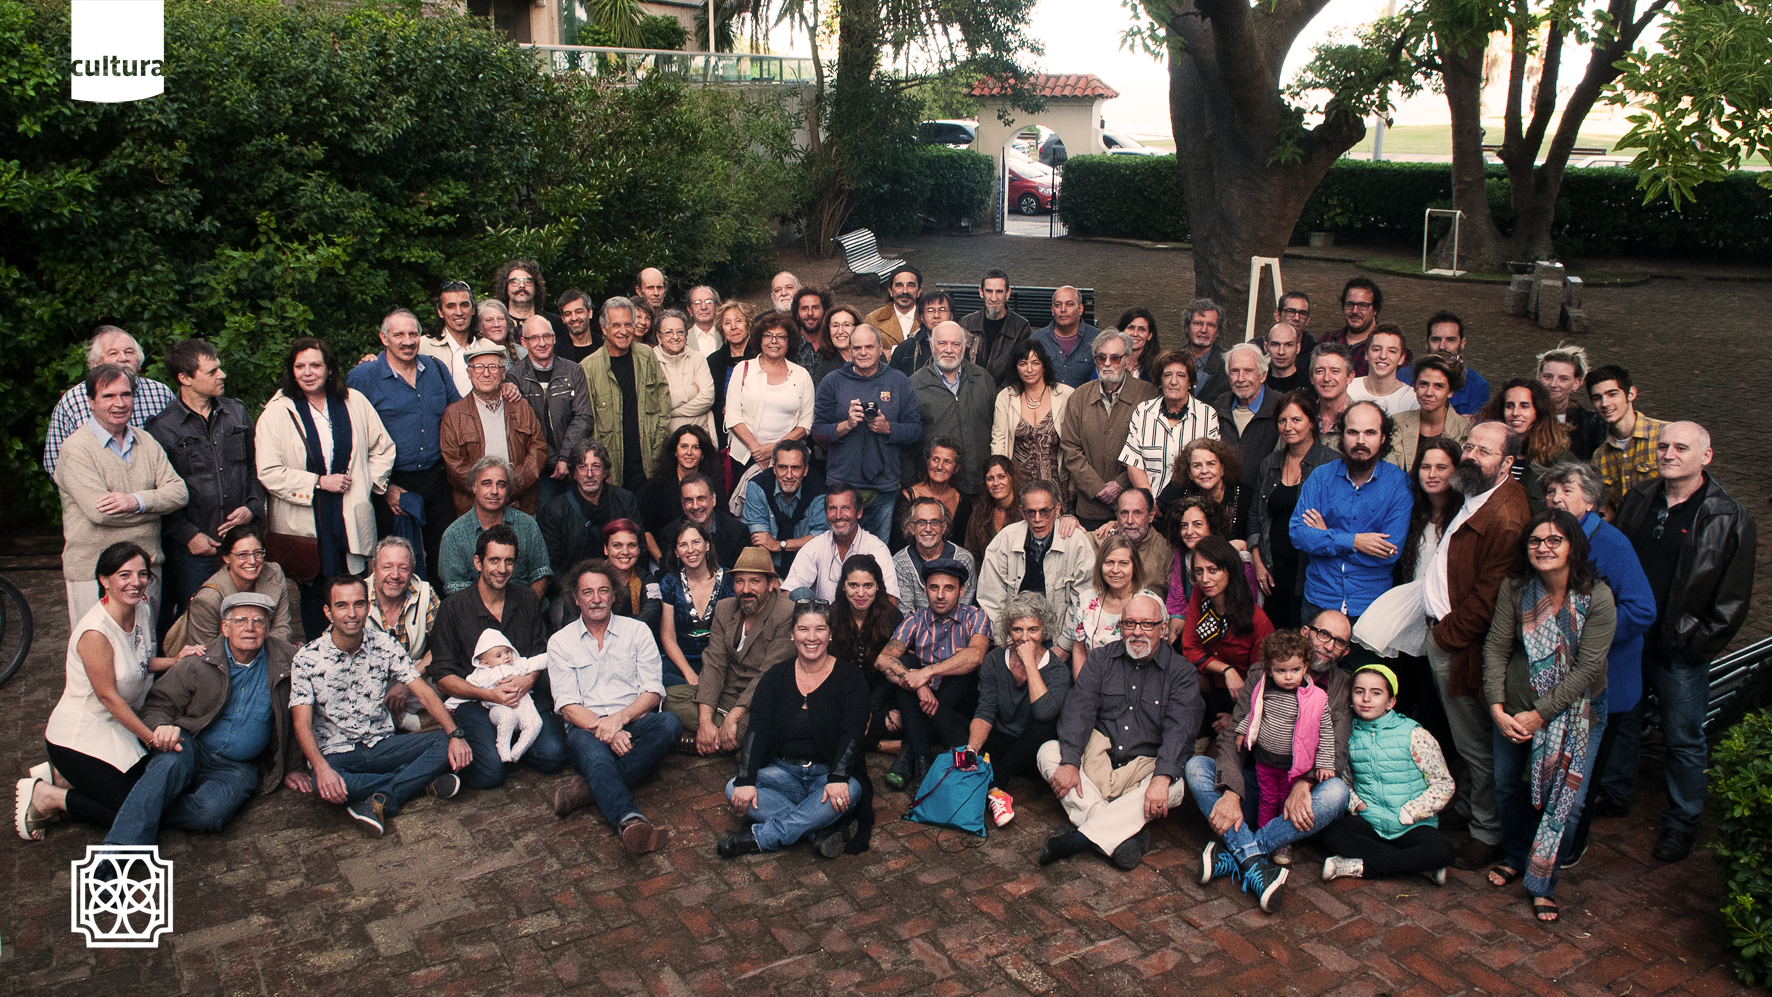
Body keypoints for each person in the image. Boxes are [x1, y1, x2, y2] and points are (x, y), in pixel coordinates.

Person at [1608, 422, 1756, 863]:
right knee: (1625, 723)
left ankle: (1682, 820)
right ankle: (1616, 795)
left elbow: (1733, 599)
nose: (1669, 453)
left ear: (1705, 457)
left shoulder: (1727, 516)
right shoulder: (1639, 500)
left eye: (1681, 447)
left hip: (1681, 650)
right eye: (1663, 446)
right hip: (1632, 640)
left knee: (1684, 737)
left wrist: (1693, 645)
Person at [1481, 510, 1617, 923]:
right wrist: (1496, 708)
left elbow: (1589, 669)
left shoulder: (1597, 598)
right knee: (1509, 787)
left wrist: (1539, 716)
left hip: (1577, 716)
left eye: (1554, 540)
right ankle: (1518, 855)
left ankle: (1544, 879)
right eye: (1536, 541)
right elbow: (1496, 648)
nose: (1543, 548)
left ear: (1573, 545)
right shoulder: (1516, 588)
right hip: (1514, 709)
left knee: (1565, 804)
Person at [16, 543, 202, 841]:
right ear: (104, 579)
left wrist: (176, 660)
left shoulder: (139, 607)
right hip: (78, 737)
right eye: (124, 574)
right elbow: (109, 697)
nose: (136, 582)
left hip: (117, 726)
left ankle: (67, 779)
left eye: (142, 574)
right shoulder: (95, 632)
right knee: (135, 812)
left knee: (155, 796)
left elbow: (138, 662)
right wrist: (150, 738)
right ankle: (48, 796)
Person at [1414, 421, 1534, 870]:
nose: (1471, 456)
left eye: (1484, 451)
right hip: (1448, 634)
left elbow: (1488, 600)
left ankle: (1487, 831)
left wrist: (1442, 636)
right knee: (1464, 737)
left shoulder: (1504, 518)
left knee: (1475, 743)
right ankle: (1467, 810)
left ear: (1507, 464)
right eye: (1469, 446)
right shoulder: (1477, 495)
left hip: (1460, 643)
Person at [96, 592, 305, 847]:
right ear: (225, 628)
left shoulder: (289, 662)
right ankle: (115, 851)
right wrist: (161, 726)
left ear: (268, 628)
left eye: (258, 621)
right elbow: (158, 704)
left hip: (238, 766)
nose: (250, 628)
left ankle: (136, 807)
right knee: (168, 766)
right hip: (192, 745)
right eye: (240, 620)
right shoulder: (200, 661)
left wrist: (293, 766)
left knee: (210, 813)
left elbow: (300, 713)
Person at [1539, 462, 1656, 867]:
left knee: (1582, 780)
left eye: (1566, 491)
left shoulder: (1613, 544)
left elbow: (1642, 610)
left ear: (1590, 500)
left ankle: (1571, 847)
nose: (1556, 498)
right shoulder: (1545, 541)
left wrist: (1589, 636)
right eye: (1551, 491)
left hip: (1607, 680)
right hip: (1557, 681)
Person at [288, 576, 468, 837]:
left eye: (359, 604)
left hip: (383, 745)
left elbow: (424, 693)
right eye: (342, 605)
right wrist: (321, 766)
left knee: (446, 742)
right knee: (322, 783)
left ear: (368, 606)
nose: (352, 614)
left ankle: (382, 798)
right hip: (338, 754)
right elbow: (301, 723)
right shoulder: (307, 658)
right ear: (328, 612)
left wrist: (454, 734)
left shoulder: (384, 644)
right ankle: (419, 782)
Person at [1187, 629, 1352, 911]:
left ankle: (1238, 854)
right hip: (1261, 778)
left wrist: (1305, 782)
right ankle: (1256, 862)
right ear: (1307, 634)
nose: (1329, 645)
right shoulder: (1261, 675)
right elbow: (1237, 729)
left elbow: (1334, 744)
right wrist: (1230, 793)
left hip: (1298, 792)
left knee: (1338, 792)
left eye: (1339, 641)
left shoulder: (1338, 687)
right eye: (1324, 634)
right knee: (1196, 767)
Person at [1037, 593, 1203, 871]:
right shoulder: (1101, 659)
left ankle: (1079, 840)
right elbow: (1079, 708)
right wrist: (1070, 762)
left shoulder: (1181, 672)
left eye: (1147, 625)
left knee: (1174, 785)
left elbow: (1181, 729)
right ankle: (1122, 833)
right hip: (1098, 760)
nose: (1137, 632)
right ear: (1120, 627)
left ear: (1163, 629)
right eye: (1129, 623)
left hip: (1143, 770)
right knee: (1049, 752)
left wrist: (1161, 778)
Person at [256, 338, 395, 638]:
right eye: (300, 366)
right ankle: (320, 661)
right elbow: (268, 471)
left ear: (329, 369)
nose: (308, 372)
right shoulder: (278, 411)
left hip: (349, 518)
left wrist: (364, 483)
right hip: (307, 522)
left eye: (315, 365)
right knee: (315, 595)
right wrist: (317, 482)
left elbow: (383, 447)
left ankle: (356, 657)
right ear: (292, 372)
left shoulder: (353, 401)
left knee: (353, 590)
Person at [717, 601, 874, 859]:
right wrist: (746, 780)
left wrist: (837, 778)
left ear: (830, 634)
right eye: (803, 629)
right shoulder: (775, 677)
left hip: (828, 774)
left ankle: (759, 837)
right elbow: (757, 730)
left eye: (819, 629)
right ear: (792, 634)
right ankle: (817, 829)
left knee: (852, 789)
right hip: (783, 774)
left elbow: (853, 732)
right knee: (733, 788)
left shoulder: (850, 678)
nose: (811, 638)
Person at [545, 560, 680, 853]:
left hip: (632, 720)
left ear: (614, 595)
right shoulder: (560, 642)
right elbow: (567, 705)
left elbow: (653, 691)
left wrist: (619, 721)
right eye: (588, 592)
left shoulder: (638, 631)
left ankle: (586, 791)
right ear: (576, 598)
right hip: (586, 727)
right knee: (595, 756)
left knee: (669, 724)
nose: (596, 599)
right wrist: (604, 728)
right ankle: (629, 820)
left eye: (603, 591)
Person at [429, 524, 565, 789]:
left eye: (509, 561)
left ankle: (503, 745)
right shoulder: (453, 608)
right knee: (491, 775)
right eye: (494, 560)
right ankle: (481, 754)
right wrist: (490, 695)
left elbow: (539, 653)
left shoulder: (526, 598)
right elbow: (443, 677)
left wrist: (525, 683)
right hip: (477, 702)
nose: (502, 569)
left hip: (523, 696)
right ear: (478, 562)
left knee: (553, 756)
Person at [54, 364, 188, 630]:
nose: (120, 403)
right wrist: (154, 510)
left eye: (126, 395)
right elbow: (100, 513)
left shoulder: (147, 441)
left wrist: (134, 501)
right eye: (108, 396)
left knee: (143, 656)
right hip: (93, 574)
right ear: (91, 401)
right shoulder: (76, 449)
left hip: (145, 571)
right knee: (97, 654)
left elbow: (179, 493)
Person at [147, 338, 268, 633]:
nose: (222, 375)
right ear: (185, 378)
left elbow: (257, 467)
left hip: (243, 541)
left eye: (220, 368)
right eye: (212, 371)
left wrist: (252, 508)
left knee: (250, 616)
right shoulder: (162, 428)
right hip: (195, 551)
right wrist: (189, 536)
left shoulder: (236, 413)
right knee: (202, 621)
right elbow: (159, 492)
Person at [350, 307, 463, 587]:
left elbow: (460, 413)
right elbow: (353, 440)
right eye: (398, 334)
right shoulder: (363, 378)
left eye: (413, 333)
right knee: (394, 561)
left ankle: (440, 617)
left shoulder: (436, 368)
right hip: (392, 480)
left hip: (437, 477)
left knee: (444, 556)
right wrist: (383, 487)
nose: (407, 340)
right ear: (383, 338)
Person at [1319, 664, 1458, 884]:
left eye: (1376, 693)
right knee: (1331, 833)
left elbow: (1443, 784)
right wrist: (1357, 804)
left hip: (1411, 825)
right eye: (1359, 691)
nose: (1366, 699)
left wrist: (1412, 811)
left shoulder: (1413, 734)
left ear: (1390, 702)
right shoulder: (1347, 734)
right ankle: (1417, 866)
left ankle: (1358, 867)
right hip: (1370, 822)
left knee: (1443, 850)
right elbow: (1344, 779)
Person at [875, 559, 992, 790]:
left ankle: (910, 751)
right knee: (905, 663)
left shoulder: (975, 616)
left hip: (957, 702)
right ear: (925, 589)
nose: (940, 595)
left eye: (949, 588)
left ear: (962, 591)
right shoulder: (915, 619)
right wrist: (918, 683)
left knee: (964, 671)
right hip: (919, 699)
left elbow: (976, 655)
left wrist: (927, 673)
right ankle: (922, 759)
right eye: (934, 587)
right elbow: (883, 659)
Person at [1289, 401, 1410, 624]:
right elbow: (1298, 534)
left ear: (1383, 438)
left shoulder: (1399, 484)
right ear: (1342, 437)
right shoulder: (1320, 477)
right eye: (1353, 432)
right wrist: (1355, 541)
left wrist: (1326, 538)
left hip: (1371, 606)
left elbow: (1389, 551)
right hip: (1320, 599)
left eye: (1370, 433)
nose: (1361, 441)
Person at [666, 547, 797, 753]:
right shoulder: (725, 608)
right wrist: (705, 720)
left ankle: (704, 741)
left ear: (771, 584)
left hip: (762, 700)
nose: (746, 589)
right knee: (670, 699)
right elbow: (714, 664)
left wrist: (734, 716)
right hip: (726, 696)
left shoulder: (786, 613)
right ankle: (722, 740)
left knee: (757, 725)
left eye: (754, 581)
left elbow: (769, 675)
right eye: (739, 581)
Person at [1387, 438, 1465, 758]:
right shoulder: (1412, 513)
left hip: (1445, 623)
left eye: (1441, 467)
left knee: (1437, 703)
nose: (1431, 474)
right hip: (1410, 619)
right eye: (1425, 466)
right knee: (1406, 692)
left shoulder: (1464, 517)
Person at [1228, 632, 1338, 852]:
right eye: (1281, 671)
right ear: (1269, 669)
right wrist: (1243, 731)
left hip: (1294, 766)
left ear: (1306, 667)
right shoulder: (1264, 688)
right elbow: (1254, 714)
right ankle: (1262, 835)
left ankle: (1280, 843)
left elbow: (1326, 731)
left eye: (1295, 670)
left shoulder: (1316, 697)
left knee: (1287, 802)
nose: (1289, 677)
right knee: (1267, 800)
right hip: (1265, 761)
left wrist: (1325, 762)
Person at [968, 591, 1071, 827]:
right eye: (1018, 630)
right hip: (999, 741)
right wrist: (973, 747)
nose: (1025, 637)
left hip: (1031, 751)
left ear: (1044, 631)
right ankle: (993, 788)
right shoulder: (995, 660)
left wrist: (1028, 662)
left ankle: (991, 785)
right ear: (1008, 631)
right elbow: (985, 711)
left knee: (1043, 726)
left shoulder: (1057, 670)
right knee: (954, 721)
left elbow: (1044, 712)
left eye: (1033, 630)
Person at [812, 325, 923, 541]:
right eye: (857, 347)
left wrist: (888, 428)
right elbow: (817, 433)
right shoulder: (833, 381)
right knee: (840, 546)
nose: (863, 352)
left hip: (884, 485)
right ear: (850, 350)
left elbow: (916, 430)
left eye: (869, 346)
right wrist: (846, 425)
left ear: (880, 347)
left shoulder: (899, 381)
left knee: (877, 551)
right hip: (843, 484)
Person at [1250, 392, 1338, 629]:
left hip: (1310, 570)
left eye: (1296, 420)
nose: (1288, 427)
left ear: (1312, 422)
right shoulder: (1270, 463)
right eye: (1282, 420)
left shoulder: (1331, 464)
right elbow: (1255, 519)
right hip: (1272, 569)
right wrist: (1259, 564)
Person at [43, 326, 175, 480]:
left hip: (156, 495)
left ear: (138, 360)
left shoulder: (160, 393)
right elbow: (56, 464)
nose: (123, 358)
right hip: (100, 497)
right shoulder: (73, 400)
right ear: (95, 362)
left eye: (129, 352)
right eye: (113, 353)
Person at [1061, 329, 1159, 530]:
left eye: (1115, 358)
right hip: (1089, 508)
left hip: (1133, 507)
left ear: (1127, 359)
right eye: (1101, 357)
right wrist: (1097, 488)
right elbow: (1070, 449)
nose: (1107, 364)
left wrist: (1120, 484)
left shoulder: (1148, 395)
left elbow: (1152, 450)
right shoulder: (1079, 398)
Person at [1178, 535, 1276, 733]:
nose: (1205, 579)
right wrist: (1226, 669)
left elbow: (1262, 681)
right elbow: (1189, 647)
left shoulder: (1257, 620)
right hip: (1213, 680)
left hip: (1243, 696)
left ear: (1229, 570)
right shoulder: (1199, 594)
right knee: (1182, 672)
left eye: (1213, 570)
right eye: (1199, 572)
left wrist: (1237, 718)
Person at [977, 481, 1094, 641]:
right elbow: (990, 599)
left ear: (1057, 509)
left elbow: (1083, 599)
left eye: (1044, 511)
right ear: (1022, 512)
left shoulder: (1076, 542)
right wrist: (1007, 642)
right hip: (1013, 638)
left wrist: (1063, 647)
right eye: (1030, 512)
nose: (1037, 519)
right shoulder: (1005, 539)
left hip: (1058, 639)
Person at [441, 343, 547, 515]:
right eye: (479, 367)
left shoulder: (520, 406)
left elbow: (539, 449)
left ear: (503, 372)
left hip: (520, 504)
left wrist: (510, 490)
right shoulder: (453, 414)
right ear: (469, 373)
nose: (486, 373)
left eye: (493, 367)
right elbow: (453, 466)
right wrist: (489, 494)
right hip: (474, 510)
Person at [581, 296, 671, 491]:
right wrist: (600, 467)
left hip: (648, 463)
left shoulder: (647, 356)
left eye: (628, 324)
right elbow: (589, 425)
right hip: (613, 468)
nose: (623, 331)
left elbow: (662, 401)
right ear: (604, 328)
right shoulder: (589, 367)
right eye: (616, 325)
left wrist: (657, 448)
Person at [508, 313, 593, 511]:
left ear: (554, 338)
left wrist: (565, 459)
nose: (542, 343)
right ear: (523, 341)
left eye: (546, 336)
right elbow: (524, 428)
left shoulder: (573, 371)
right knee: (547, 521)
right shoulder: (514, 377)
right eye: (534, 338)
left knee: (580, 518)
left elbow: (583, 417)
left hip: (574, 463)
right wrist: (555, 461)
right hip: (538, 469)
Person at [437, 454, 553, 597]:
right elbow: (454, 588)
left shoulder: (527, 525)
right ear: (474, 487)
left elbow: (541, 573)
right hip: (475, 615)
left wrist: (527, 610)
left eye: (501, 484)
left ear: (508, 490)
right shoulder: (454, 535)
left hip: (526, 610)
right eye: (487, 483)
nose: (494, 491)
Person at [909, 322, 995, 503]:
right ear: (931, 345)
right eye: (942, 343)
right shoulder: (914, 386)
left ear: (964, 347)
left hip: (980, 486)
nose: (949, 350)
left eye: (955, 344)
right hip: (936, 491)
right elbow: (908, 446)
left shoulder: (983, 379)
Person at [829, 554, 905, 750]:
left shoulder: (893, 617)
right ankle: (880, 746)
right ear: (843, 586)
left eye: (868, 586)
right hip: (843, 695)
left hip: (880, 696)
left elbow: (890, 674)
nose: (860, 593)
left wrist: (870, 708)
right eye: (853, 585)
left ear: (878, 586)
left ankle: (859, 739)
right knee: (826, 719)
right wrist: (856, 708)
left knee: (896, 721)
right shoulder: (831, 617)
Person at [1122, 349, 1221, 500]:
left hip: (1192, 507)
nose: (1173, 381)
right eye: (1167, 375)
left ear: (1190, 382)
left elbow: (1211, 467)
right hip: (1150, 504)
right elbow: (1134, 464)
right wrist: (1151, 503)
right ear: (1160, 381)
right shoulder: (1143, 412)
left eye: (1181, 375)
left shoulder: (1207, 415)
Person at [364, 536, 440, 730]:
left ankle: (395, 721)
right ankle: (408, 722)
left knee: (449, 679)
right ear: (374, 568)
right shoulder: (357, 593)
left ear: (412, 571)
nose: (395, 575)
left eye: (403, 568)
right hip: (368, 682)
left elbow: (442, 645)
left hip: (415, 678)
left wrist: (408, 682)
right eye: (387, 567)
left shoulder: (424, 592)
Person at [724, 311, 815, 473]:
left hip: (788, 460)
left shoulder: (801, 375)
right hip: (746, 457)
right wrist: (757, 450)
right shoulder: (743, 369)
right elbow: (732, 416)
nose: (774, 341)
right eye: (768, 335)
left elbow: (806, 424)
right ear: (760, 339)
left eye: (781, 336)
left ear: (789, 341)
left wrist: (774, 449)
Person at [183, 524, 294, 651]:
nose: (252, 561)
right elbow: (205, 652)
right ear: (226, 558)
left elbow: (282, 627)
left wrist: (261, 657)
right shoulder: (207, 599)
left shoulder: (274, 573)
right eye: (243, 555)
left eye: (258, 553)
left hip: (269, 654)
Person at [783, 485, 901, 604]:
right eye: (832, 508)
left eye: (845, 508)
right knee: (800, 594)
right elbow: (789, 591)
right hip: (824, 618)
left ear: (859, 512)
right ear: (826, 513)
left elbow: (890, 600)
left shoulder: (876, 548)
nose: (838, 515)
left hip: (864, 618)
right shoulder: (815, 546)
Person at [992, 340, 1074, 508]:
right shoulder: (1006, 397)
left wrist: (1074, 484)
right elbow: (998, 442)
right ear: (1016, 367)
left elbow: (1075, 444)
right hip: (1019, 486)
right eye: (1023, 363)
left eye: (1035, 363)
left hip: (1057, 485)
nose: (1029, 369)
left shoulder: (1065, 395)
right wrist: (1002, 480)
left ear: (1044, 366)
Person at [1067, 535, 1162, 677]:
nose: (1115, 570)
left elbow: (1160, 654)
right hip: (1094, 682)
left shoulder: (1152, 603)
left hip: (1139, 682)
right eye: (1109, 562)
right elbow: (1079, 651)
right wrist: (1083, 690)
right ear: (1100, 565)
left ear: (1134, 566)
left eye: (1123, 563)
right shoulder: (1086, 600)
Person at [658, 522, 734, 689]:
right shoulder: (670, 583)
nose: (690, 550)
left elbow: (733, 635)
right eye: (683, 545)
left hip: (720, 661)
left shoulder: (729, 580)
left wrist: (713, 671)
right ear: (677, 552)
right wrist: (689, 673)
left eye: (696, 542)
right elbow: (668, 637)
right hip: (682, 661)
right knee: (661, 677)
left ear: (707, 545)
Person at [1479, 379, 1573, 511]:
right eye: (1510, 406)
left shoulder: (1558, 460)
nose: (1515, 413)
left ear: (1538, 410)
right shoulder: (1484, 452)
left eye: (1524, 406)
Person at [1587, 364, 1668, 508]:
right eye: (1597, 398)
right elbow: (1608, 507)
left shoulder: (1665, 434)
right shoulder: (1600, 456)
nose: (1605, 403)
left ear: (1631, 394)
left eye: (1612, 394)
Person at [1161, 495, 1257, 618]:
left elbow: (1249, 609)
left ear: (1212, 526)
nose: (1189, 532)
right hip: (1195, 623)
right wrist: (1177, 618)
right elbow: (1176, 601)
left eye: (1197, 524)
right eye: (1184, 526)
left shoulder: (1240, 558)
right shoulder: (1183, 556)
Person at [743, 438, 827, 574]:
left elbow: (821, 537)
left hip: (809, 569)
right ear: (774, 468)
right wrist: (773, 580)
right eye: (783, 467)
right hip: (769, 567)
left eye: (795, 468)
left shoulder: (818, 490)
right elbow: (760, 539)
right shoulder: (757, 487)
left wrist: (779, 545)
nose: (789, 475)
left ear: (805, 470)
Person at [641, 425, 723, 558]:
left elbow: (723, 522)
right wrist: (663, 562)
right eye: (683, 446)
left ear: (702, 454)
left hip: (708, 555)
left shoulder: (714, 484)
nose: (689, 452)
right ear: (675, 451)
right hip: (666, 555)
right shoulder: (657, 486)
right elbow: (646, 530)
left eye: (696, 447)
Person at [1387, 351, 1472, 472]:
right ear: (1415, 387)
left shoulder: (1464, 430)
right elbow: (1390, 472)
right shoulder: (1396, 423)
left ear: (1450, 391)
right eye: (1423, 384)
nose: (1429, 393)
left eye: (1438, 386)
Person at [893, 495, 979, 612]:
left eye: (934, 522)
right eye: (921, 522)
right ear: (911, 528)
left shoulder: (963, 559)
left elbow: (964, 610)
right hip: (916, 629)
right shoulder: (900, 562)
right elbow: (906, 614)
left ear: (943, 527)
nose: (928, 529)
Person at [1158, 437, 1250, 545]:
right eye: (1197, 466)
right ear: (1189, 473)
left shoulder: (1245, 496)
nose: (1204, 471)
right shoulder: (1179, 491)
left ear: (1222, 469)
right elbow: (1157, 512)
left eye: (1211, 464)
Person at [1398, 311, 1489, 418]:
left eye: (1450, 340)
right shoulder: (1404, 376)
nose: (1442, 346)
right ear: (1427, 343)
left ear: (1462, 344)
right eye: (1436, 339)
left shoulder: (1477, 385)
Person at [1090, 487, 1175, 600]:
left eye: (1137, 513)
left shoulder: (1166, 552)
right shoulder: (1102, 537)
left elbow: (1176, 601)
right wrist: (1069, 520)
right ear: (1117, 515)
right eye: (1124, 513)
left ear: (1151, 516)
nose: (1130, 520)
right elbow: (1074, 538)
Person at [1213, 343, 1278, 492]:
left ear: (1263, 375)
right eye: (1235, 371)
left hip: (1263, 498)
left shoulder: (1279, 408)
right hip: (1225, 497)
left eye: (1248, 371)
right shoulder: (1218, 406)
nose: (1241, 378)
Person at [959, 269, 1035, 388]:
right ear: (981, 292)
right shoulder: (967, 323)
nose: (993, 298)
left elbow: (1021, 367)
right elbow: (961, 363)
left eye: (999, 292)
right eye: (989, 291)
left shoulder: (1020, 327)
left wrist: (998, 396)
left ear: (1007, 293)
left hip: (1006, 396)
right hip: (971, 393)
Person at [420, 279, 497, 396]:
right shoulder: (423, 347)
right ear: (440, 311)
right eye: (451, 306)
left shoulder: (489, 348)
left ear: (473, 309)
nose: (459, 312)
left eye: (464, 305)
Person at [895, 438, 972, 551]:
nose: (940, 466)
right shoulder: (908, 496)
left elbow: (962, 545)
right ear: (927, 462)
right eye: (935, 459)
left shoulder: (962, 501)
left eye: (947, 462)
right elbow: (898, 544)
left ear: (955, 469)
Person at [1320, 277, 1405, 377]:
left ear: (1375, 309)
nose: (1355, 311)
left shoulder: (1393, 347)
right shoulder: (1327, 340)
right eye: (1350, 304)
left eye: (1363, 305)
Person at [664, 473, 749, 570]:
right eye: (689, 500)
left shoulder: (736, 532)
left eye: (701, 499)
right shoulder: (670, 534)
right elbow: (667, 574)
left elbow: (743, 577)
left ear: (713, 499)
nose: (695, 506)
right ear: (682, 504)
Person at [1535, 343, 1604, 459]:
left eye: (1563, 379)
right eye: (1547, 377)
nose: (1553, 384)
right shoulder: (1523, 416)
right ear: (1539, 376)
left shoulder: (1592, 423)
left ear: (1576, 383)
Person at [709, 300, 760, 444]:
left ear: (748, 324)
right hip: (724, 432)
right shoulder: (713, 361)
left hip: (758, 430)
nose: (733, 327)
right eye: (727, 323)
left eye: (738, 321)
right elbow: (710, 400)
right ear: (721, 329)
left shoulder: (761, 357)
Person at [598, 519, 662, 629]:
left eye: (632, 545)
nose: (625, 552)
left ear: (638, 549)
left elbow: (653, 610)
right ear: (606, 549)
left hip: (636, 640)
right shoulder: (591, 579)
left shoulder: (647, 579)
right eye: (617, 545)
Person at [1031, 286, 1100, 387]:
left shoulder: (1098, 339)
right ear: (1052, 310)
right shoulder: (1037, 339)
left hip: (1085, 401)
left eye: (1069, 304)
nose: (1063, 309)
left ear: (1080, 309)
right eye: (1058, 305)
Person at [1344, 324, 1418, 415]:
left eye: (1392, 351)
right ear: (1366, 354)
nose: (1383, 356)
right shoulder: (1347, 389)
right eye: (1376, 349)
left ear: (1402, 358)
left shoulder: (1412, 399)